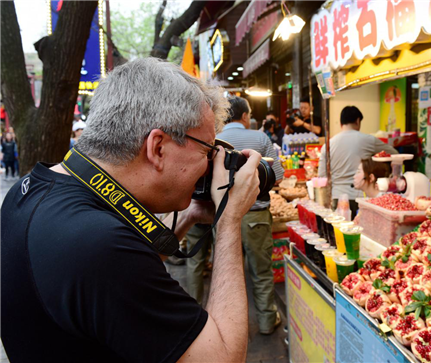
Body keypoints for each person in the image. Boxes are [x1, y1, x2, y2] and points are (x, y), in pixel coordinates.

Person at [1, 58, 261, 362]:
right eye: (207, 150)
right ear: (158, 147)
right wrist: (229, 220)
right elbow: (224, 358)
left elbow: (117, 279)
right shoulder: (99, 247)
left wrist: (189, 215)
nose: (209, 166)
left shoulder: (33, 190)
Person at [186, 97, 284, 335]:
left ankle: (194, 319)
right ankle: (266, 321)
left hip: (214, 214)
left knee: (211, 267)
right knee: (260, 271)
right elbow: (277, 176)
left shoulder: (212, 141)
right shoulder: (260, 138)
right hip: (255, 215)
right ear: (244, 116)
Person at [318, 106, 398, 218]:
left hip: (337, 198)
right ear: (358, 121)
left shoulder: (328, 145)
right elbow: (394, 153)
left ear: (341, 123)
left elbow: (321, 177)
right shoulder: (368, 140)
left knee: (339, 232)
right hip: (361, 198)